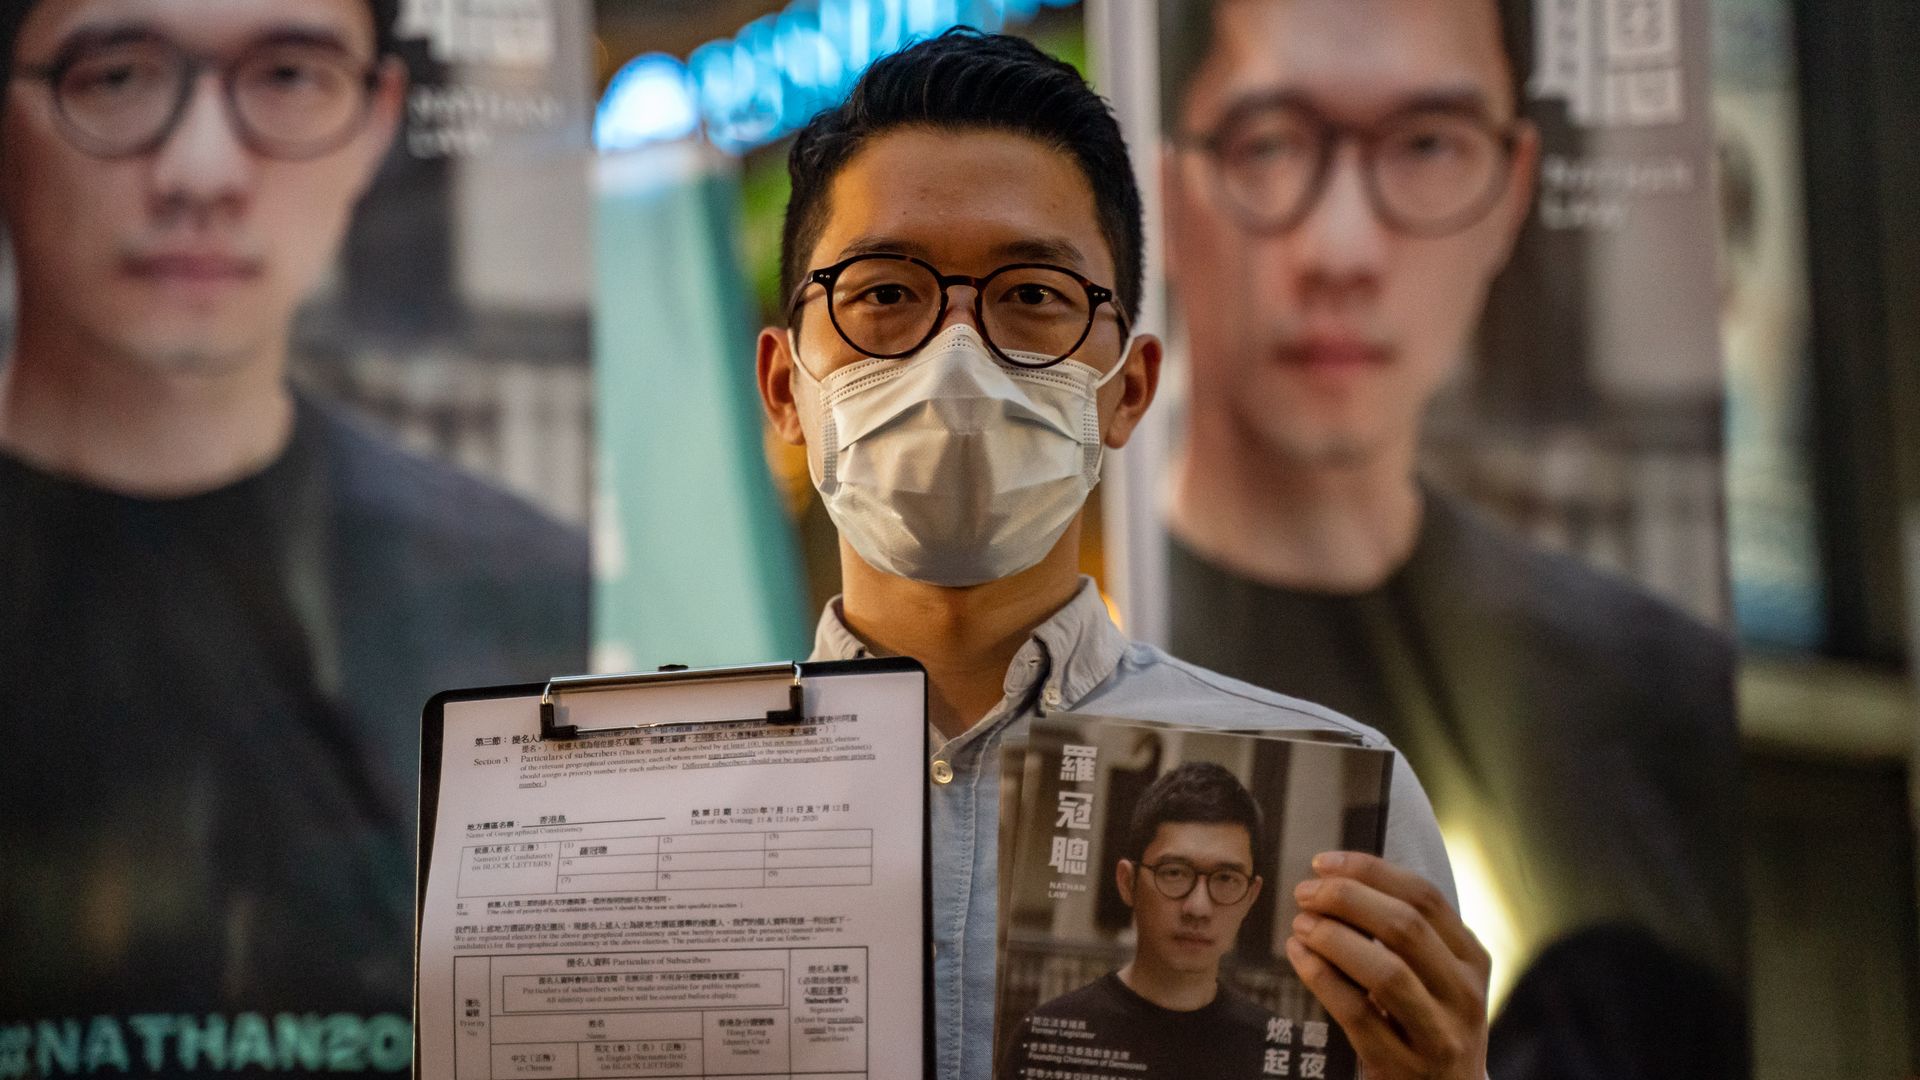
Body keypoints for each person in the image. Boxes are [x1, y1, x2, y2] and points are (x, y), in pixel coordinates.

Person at [756, 29, 1491, 1080]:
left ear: (1130, 389)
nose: (956, 360)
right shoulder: (650, 810)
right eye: (884, 295)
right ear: (787, 386)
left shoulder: (1339, 825)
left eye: (1033, 298)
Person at [0, 0, 587, 1072]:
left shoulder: (526, 588)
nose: (202, 171)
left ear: (377, 121)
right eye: (117, 78)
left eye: (287, 78)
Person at [1156, 0, 1743, 1034]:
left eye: (1429, 144)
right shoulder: (1071, 663)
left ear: (1513, 191)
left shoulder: (1660, 690)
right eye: (1271, 144)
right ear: (1167, 188)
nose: (1342, 249)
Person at [1003, 762, 1285, 1078]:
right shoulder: (1048, 1040)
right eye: (1174, 873)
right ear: (1128, 882)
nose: (1198, 907)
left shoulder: (1280, 1055)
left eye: (1226, 878)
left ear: (1250, 896)